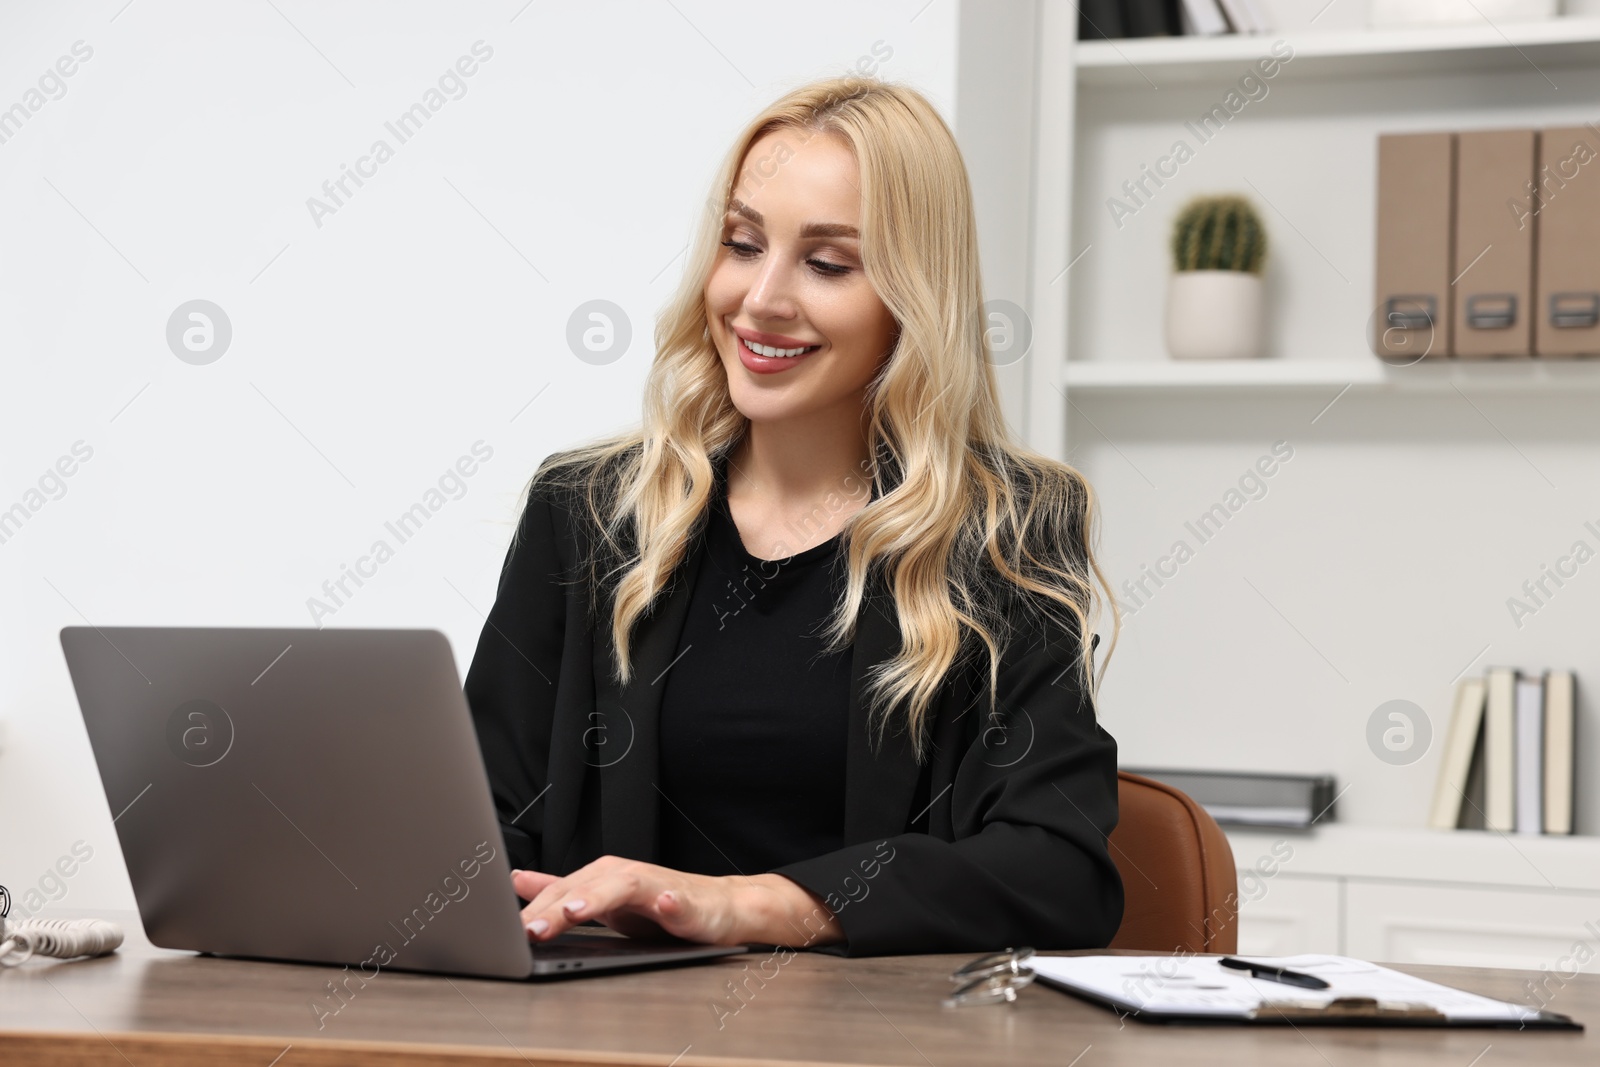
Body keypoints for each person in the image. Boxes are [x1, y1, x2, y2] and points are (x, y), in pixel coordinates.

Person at [463, 75, 1124, 958]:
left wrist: (755, 905)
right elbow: (479, 829)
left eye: (826, 263)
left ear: (912, 298)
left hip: (870, 1046)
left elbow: (1058, 870)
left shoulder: (1005, 530)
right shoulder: (585, 511)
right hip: (606, 1037)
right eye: (742, 244)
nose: (760, 299)